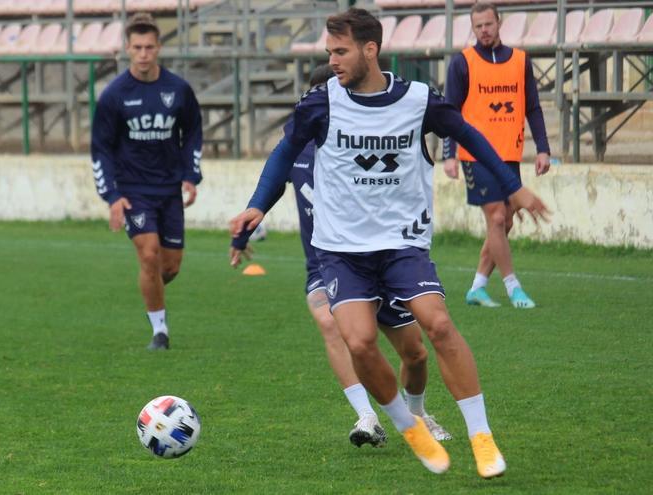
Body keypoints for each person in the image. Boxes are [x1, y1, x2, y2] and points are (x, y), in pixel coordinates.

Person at [229, 9, 548, 478]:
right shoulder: (321, 103)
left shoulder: (419, 100)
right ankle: (408, 426)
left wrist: (512, 185)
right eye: (329, 52)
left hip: (402, 245)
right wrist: (259, 204)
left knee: (437, 325)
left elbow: (470, 136)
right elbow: (284, 154)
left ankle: (482, 437)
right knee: (358, 341)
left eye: (340, 51)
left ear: (370, 49)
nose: (333, 60)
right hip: (340, 250)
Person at [230, 64, 452, 448]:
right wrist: (245, 231)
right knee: (329, 323)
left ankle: (417, 413)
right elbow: (272, 184)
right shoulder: (296, 147)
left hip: (384, 259)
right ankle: (366, 416)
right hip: (328, 264)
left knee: (415, 353)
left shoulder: (364, 143)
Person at [90, 13, 203, 351]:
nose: (143, 53)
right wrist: (111, 195)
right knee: (149, 254)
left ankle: (151, 289)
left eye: (149, 47)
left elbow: (193, 132)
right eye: (137, 47)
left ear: (159, 48)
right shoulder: (114, 95)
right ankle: (160, 332)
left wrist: (190, 175)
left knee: (170, 266)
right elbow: (101, 149)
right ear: (127, 49)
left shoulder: (177, 89)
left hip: (169, 189)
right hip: (133, 190)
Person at [442, 2, 551, 309]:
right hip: (474, 155)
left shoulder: (519, 60)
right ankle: (513, 287)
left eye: (488, 24)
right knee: (498, 216)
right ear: (472, 28)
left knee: (506, 225)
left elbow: (532, 106)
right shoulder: (461, 63)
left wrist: (542, 148)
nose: (484, 31)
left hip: (509, 153)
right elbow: (449, 112)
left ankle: (477, 286)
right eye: (478, 26)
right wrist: (448, 154)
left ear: (498, 23)